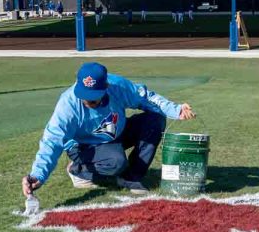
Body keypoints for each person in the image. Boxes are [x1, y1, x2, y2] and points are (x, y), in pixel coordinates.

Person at [21, 62, 195, 198]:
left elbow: (147, 98)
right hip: (84, 146)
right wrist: (38, 175)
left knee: (155, 119)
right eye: (84, 96)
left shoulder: (118, 87)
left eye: (93, 98)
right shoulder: (68, 105)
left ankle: (132, 177)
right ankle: (77, 170)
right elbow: (52, 140)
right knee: (116, 161)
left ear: (106, 88)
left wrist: (177, 110)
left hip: (115, 133)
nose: (87, 102)